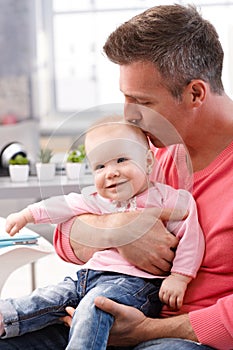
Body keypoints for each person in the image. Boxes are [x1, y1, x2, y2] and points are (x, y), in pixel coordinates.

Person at [1, 3, 233, 350]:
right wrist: (118, 231)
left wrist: (144, 331)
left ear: (195, 93)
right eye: (125, 97)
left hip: (184, 336)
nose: (128, 116)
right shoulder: (149, 152)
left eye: (141, 101)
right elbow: (67, 237)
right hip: (103, 307)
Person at [0, 117, 204, 349]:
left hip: (132, 285)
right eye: (100, 166)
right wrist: (28, 214)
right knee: (47, 297)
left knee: (92, 308)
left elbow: (191, 235)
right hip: (87, 278)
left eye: (121, 160)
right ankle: (4, 318)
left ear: (148, 162)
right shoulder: (99, 201)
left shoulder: (168, 198)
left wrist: (180, 276)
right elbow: (63, 205)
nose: (111, 172)